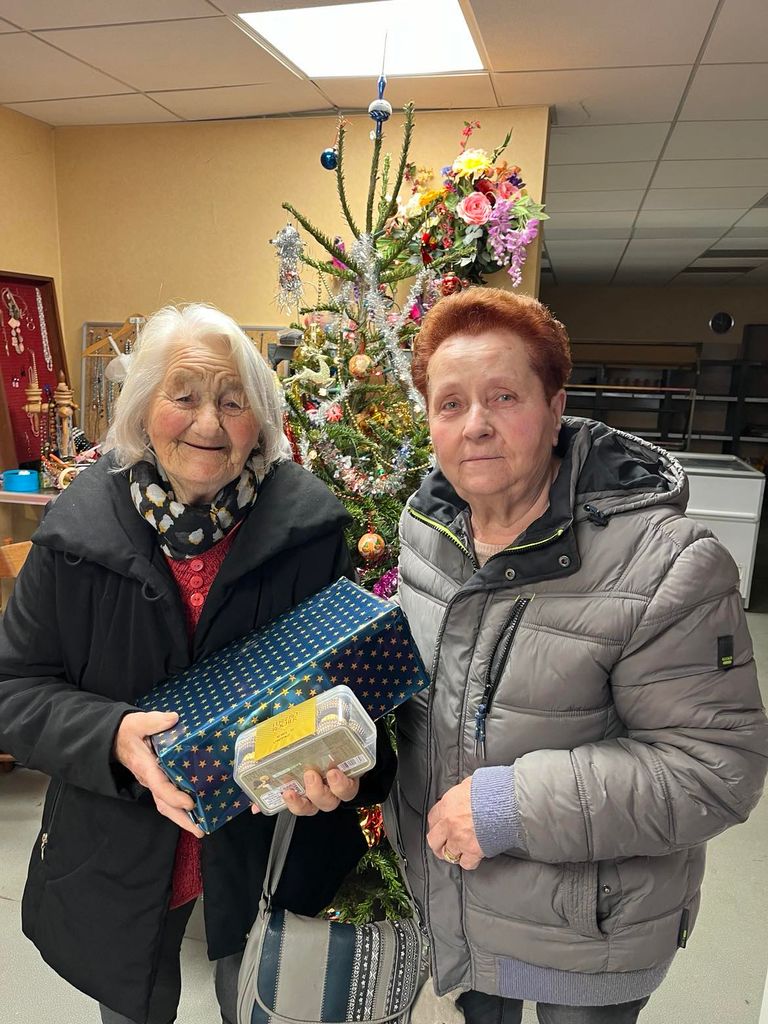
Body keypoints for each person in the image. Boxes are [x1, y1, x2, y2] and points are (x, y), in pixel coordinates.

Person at [0, 303, 395, 1024]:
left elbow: (347, 691)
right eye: (183, 396)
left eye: (233, 401)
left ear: (261, 422)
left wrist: (344, 764)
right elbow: (14, 690)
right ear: (145, 407)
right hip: (116, 841)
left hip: (265, 842)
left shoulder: (308, 532)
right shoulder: (74, 534)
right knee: (133, 1005)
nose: (209, 424)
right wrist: (110, 733)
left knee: (255, 1002)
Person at [390, 287, 768, 1024]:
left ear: (556, 405)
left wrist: (509, 807)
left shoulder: (666, 563)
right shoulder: (426, 531)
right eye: (450, 404)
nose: (476, 426)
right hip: (454, 907)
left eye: (504, 396)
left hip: (592, 933)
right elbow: (427, 702)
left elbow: (717, 766)